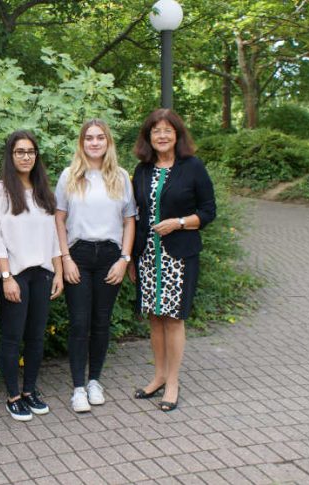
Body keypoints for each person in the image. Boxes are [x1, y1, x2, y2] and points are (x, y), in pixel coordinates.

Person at [130, 108, 216, 412]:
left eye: (168, 130)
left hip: (178, 255)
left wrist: (178, 222)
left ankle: (174, 382)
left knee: (173, 318)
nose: (162, 136)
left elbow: (208, 212)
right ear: (148, 137)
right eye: (156, 131)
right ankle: (158, 376)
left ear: (177, 135)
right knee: (155, 317)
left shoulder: (192, 167)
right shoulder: (142, 170)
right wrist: (130, 258)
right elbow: (135, 216)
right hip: (147, 256)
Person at [55, 119, 136, 413]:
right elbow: (59, 219)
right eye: (89, 138)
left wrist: (124, 259)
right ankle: (77, 387)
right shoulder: (69, 176)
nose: (94, 142)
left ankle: (94, 381)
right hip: (78, 253)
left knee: (101, 322)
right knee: (79, 323)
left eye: (100, 138)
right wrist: (65, 259)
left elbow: (129, 221)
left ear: (108, 142)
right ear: (82, 143)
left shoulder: (121, 177)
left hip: (110, 256)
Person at [0, 131, 63, 422]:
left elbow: (54, 235)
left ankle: (30, 390)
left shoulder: (45, 193)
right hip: (15, 275)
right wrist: (5, 277)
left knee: (36, 337)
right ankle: (13, 395)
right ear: (10, 155)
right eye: (20, 151)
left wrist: (58, 272)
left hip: (43, 273)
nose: (26, 156)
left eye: (30, 151)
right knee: (12, 337)